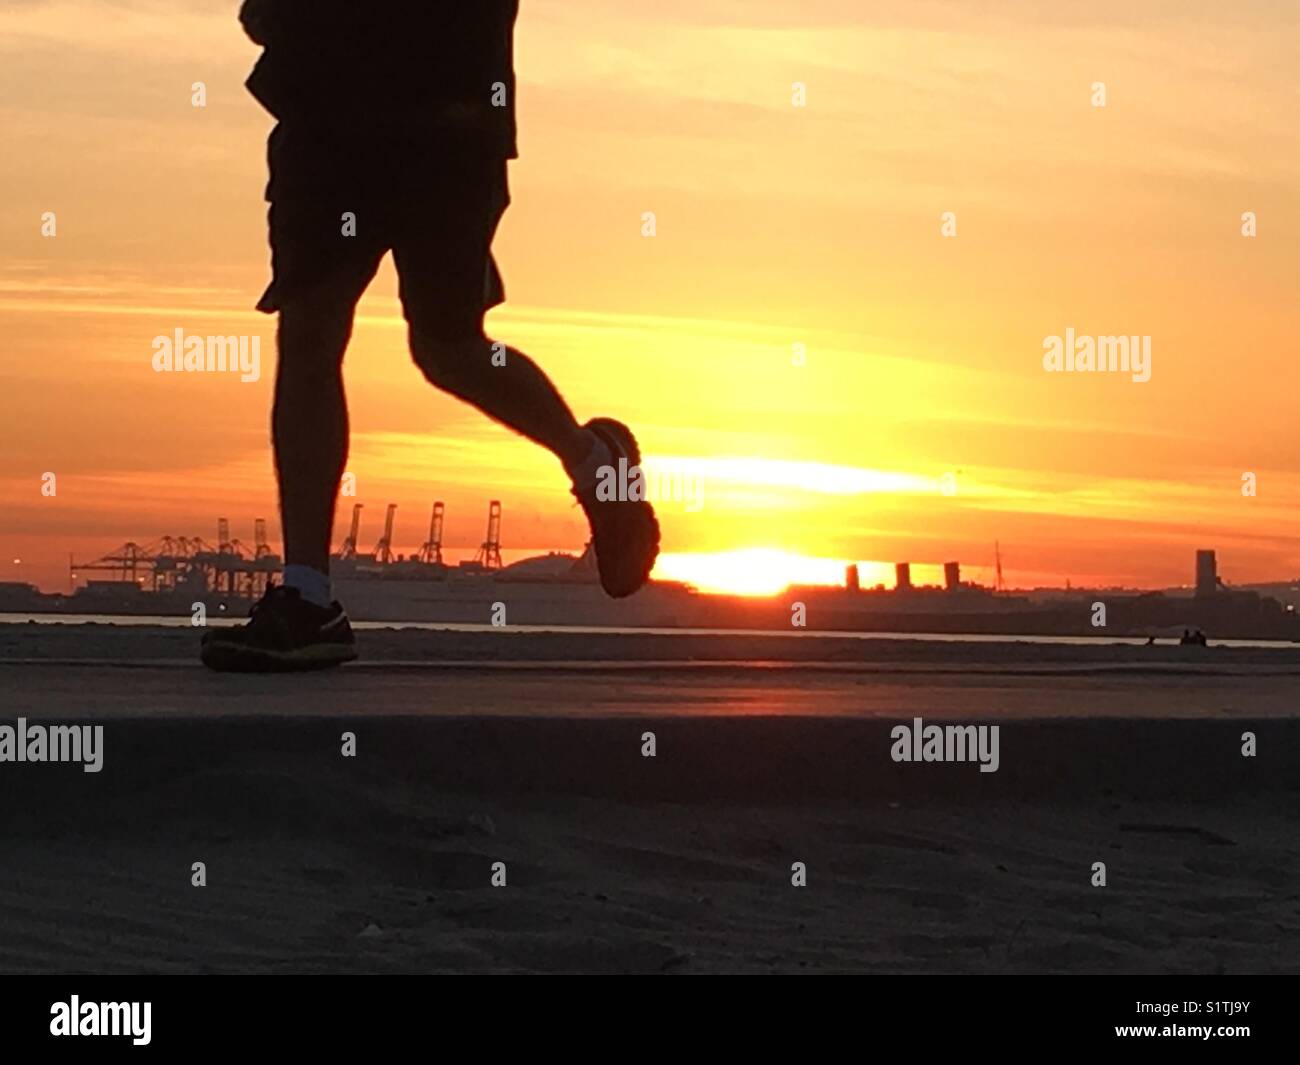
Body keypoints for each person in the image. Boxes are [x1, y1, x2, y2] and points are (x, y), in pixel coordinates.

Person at [202, 1, 658, 671]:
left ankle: (594, 462)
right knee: (309, 327)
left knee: (448, 349)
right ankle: (307, 597)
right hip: (326, 114)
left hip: (445, 119)